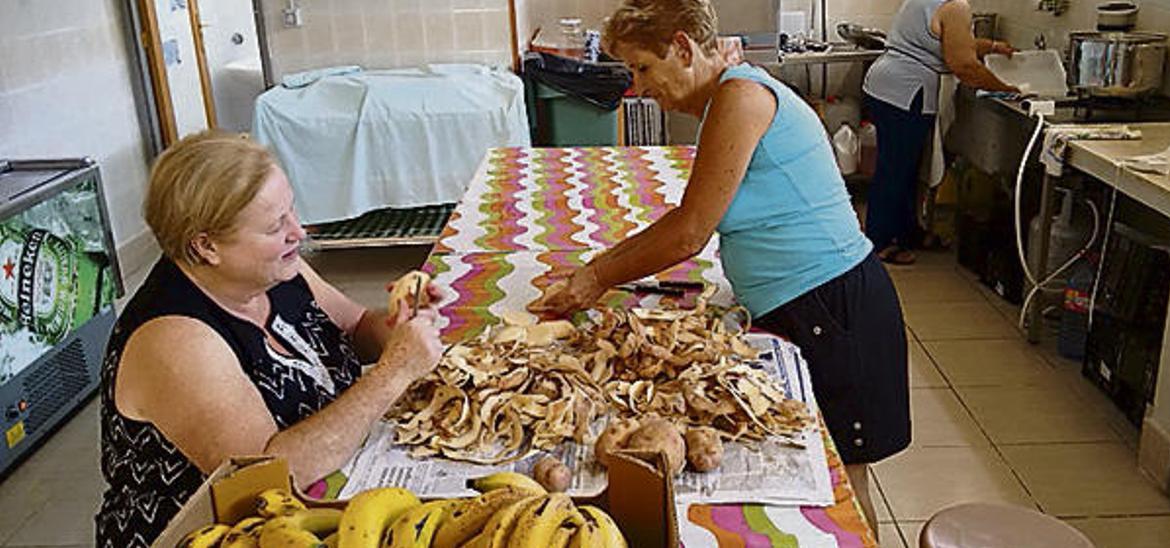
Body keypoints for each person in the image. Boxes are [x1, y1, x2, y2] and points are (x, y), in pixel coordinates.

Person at [530, 0, 908, 536]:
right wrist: (598, 268)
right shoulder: (727, 95)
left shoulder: (740, 98)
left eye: (642, 67)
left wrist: (595, 278)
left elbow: (690, 229)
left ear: (683, 48)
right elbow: (693, 216)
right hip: (806, 305)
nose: (637, 88)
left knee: (841, 482)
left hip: (836, 308)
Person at [95, 131, 444, 547]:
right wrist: (394, 372)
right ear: (206, 246)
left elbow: (355, 328)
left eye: (291, 210)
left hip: (328, 485)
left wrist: (400, 323)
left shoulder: (272, 273)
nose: (298, 231)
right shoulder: (173, 338)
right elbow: (269, 474)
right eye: (276, 225)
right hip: (217, 532)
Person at [862, 0, 1018, 265]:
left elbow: (951, 42)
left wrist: (992, 47)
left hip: (886, 85)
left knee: (906, 169)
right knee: (896, 170)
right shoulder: (955, 6)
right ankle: (880, 241)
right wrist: (1008, 88)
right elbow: (964, 65)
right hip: (904, 92)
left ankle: (907, 231)